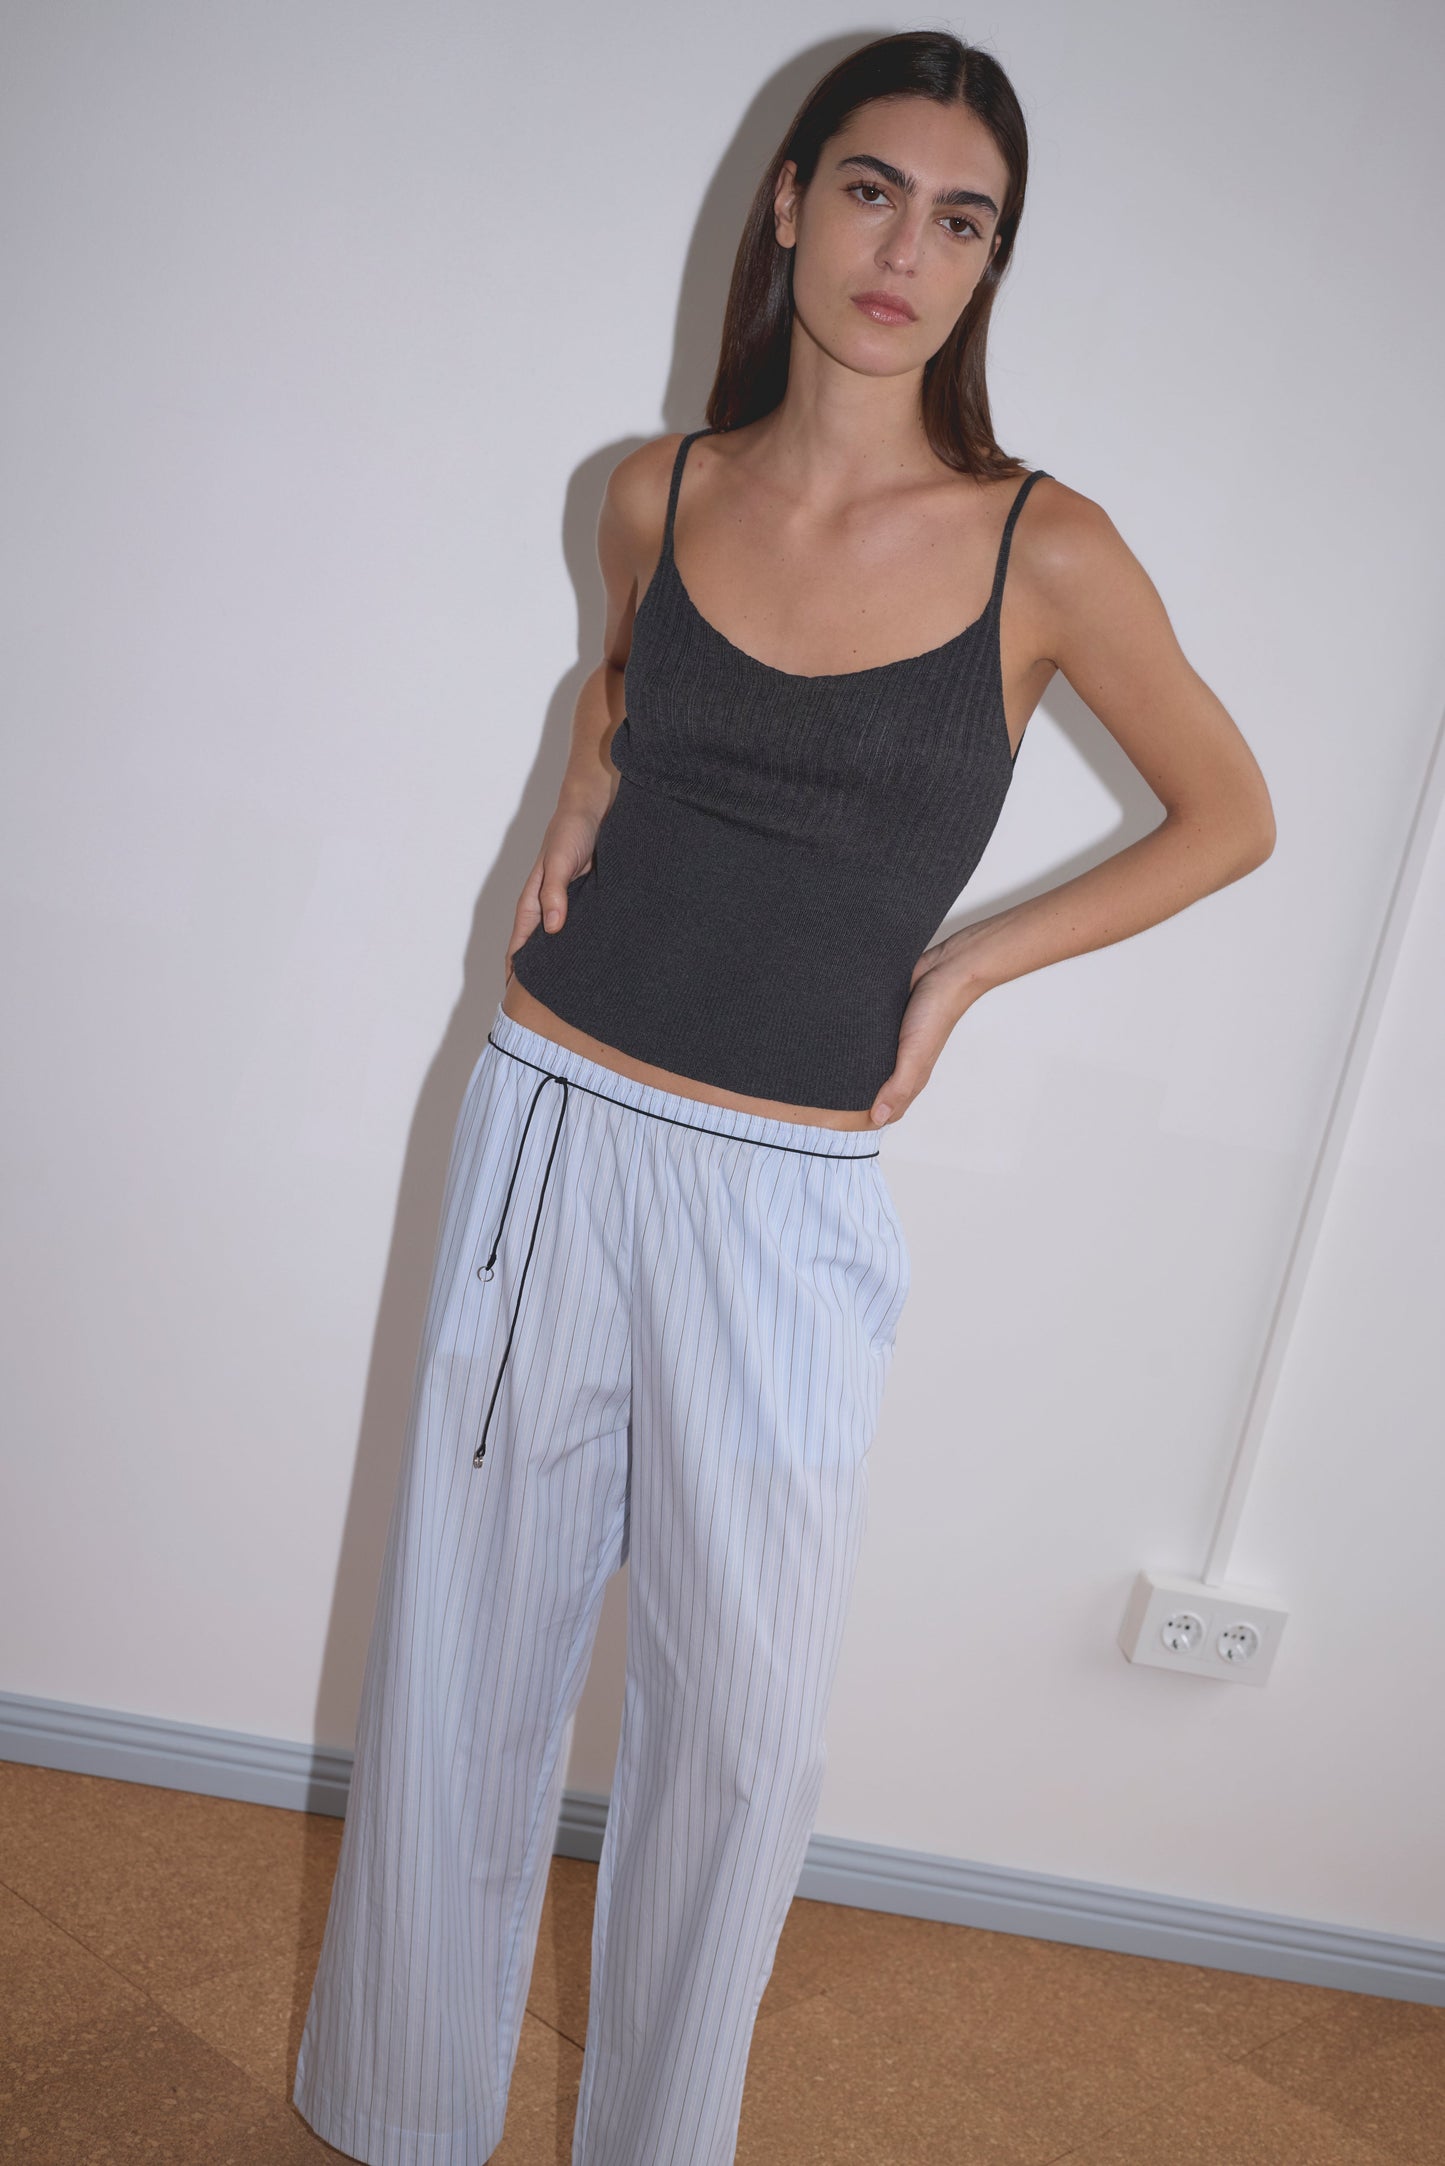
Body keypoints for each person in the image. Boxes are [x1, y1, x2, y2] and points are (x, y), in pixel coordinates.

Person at [292, 29, 1275, 2166]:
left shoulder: (1047, 548)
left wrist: (967, 973)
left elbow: (1230, 815)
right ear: (788, 206)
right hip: (547, 1114)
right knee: (463, 1675)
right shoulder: (653, 488)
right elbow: (630, 665)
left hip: (782, 1188)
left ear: (993, 259)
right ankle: (395, 2121)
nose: (905, 248)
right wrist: (587, 743)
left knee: (737, 1740)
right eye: (869, 192)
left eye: (962, 217)